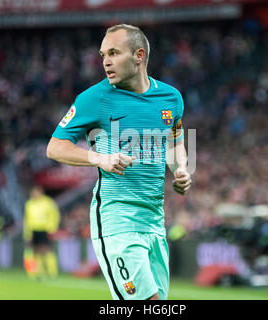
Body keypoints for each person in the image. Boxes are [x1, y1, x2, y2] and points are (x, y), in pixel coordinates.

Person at [46, 24, 192, 300]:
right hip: (116, 221)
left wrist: (181, 169)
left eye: (113, 53)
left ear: (139, 55)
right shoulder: (94, 98)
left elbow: (175, 142)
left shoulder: (171, 98)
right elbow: (55, 147)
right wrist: (100, 159)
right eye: (103, 55)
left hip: (154, 223)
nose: (105, 62)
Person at [23, 185, 60, 280]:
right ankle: (39, 272)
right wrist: (27, 233)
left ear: (41, 192)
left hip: (45, 229)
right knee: (35, 252)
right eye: (33, 192)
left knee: (47, 250)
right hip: (33, 230)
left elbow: (54, 215)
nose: (34, 194)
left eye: (36, 191)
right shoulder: (29, 204)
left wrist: (52, 228)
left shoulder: (48, 202)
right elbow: (26, 220)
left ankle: (52, 273)